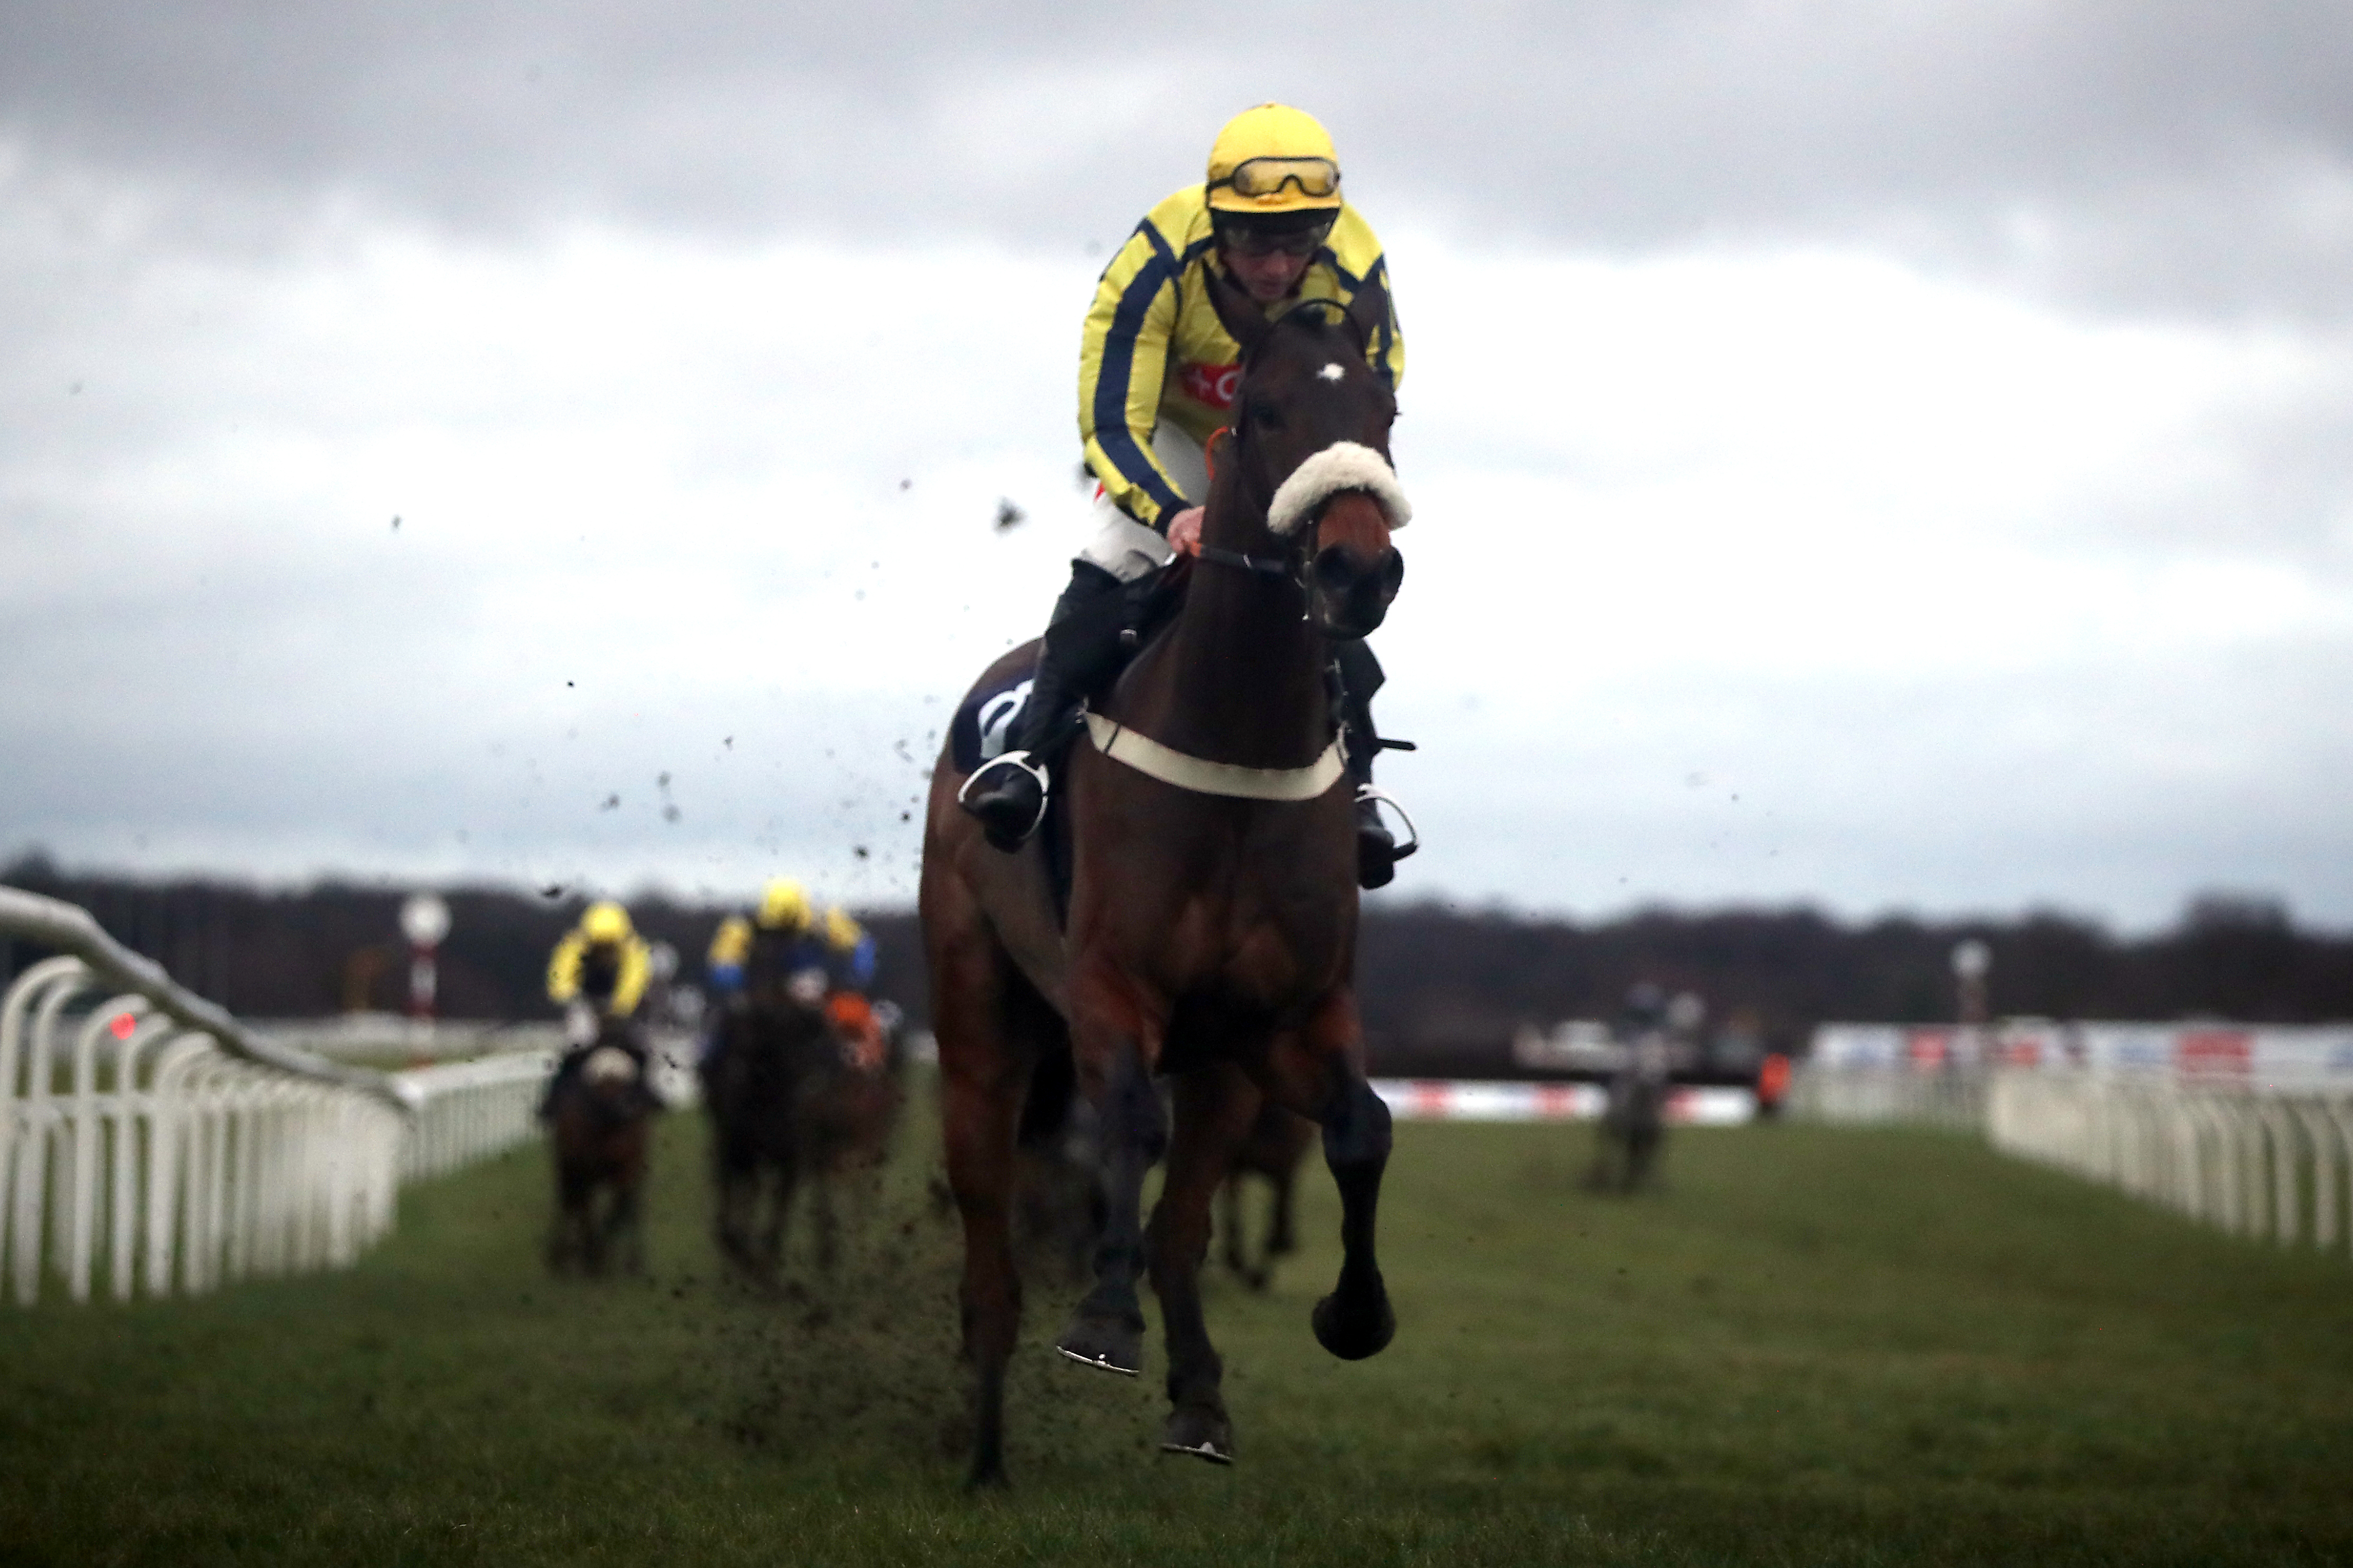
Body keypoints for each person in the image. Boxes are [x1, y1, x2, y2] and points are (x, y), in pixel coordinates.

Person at [958, 102, 1416, 889]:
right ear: (1216, 221)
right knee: (1113, 560)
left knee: (1333, 581)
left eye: (1298, 240)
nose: (1276, 266)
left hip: (1286, 443)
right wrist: (1173, 513)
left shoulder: (1357, 260)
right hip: (1170, 437)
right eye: (1252, 239)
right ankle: (1029, 760)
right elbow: (1111, 420)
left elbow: (1369, 395)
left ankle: (1361, 784)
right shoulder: (1155, 263)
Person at [540, 900, 657, 1118]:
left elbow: (634, 981)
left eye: (609, 946)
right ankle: (554, 1099)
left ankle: (647, 1094)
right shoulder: (574, 945)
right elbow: (561, 978)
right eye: (599, 945)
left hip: (620, 1010)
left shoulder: (634, 949)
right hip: (586, 1006)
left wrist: (618, 1007)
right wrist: (570, 996)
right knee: (575, 1047)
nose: (604, 951)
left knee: (639, 1047)